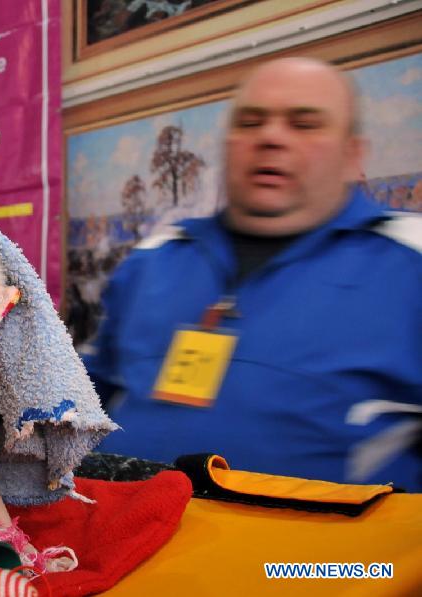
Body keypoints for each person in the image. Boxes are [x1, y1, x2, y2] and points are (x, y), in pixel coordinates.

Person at [84, 57, 422, 491]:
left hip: (313, 561)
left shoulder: (409, 264)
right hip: (122, 547)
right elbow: (80, 400)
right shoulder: (154, 260)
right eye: (250, 121)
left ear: (351, 154)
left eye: (304, 124)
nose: (270, 137)